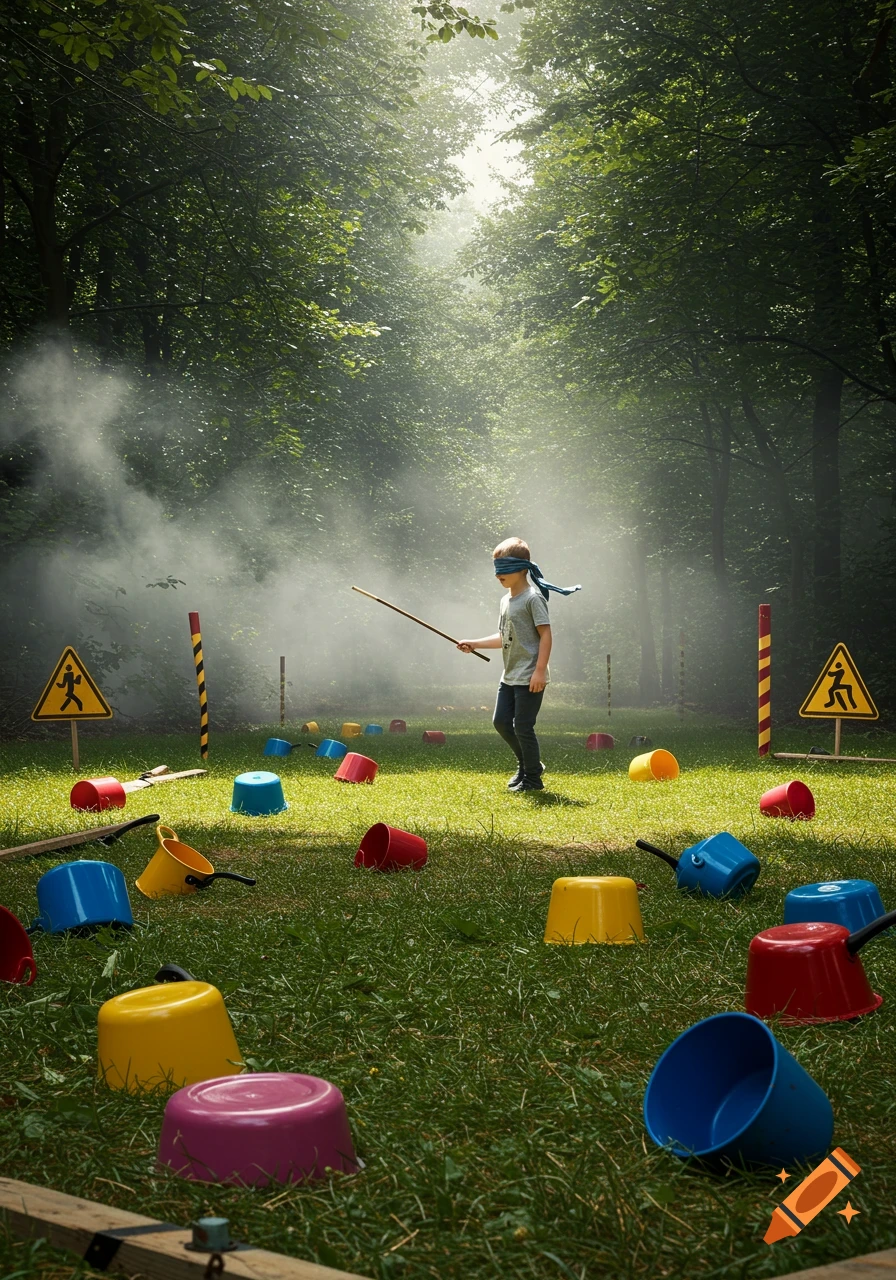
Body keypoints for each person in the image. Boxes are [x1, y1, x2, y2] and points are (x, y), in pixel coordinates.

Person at [457, 537, 581, 792]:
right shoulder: (506, 601)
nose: (498, 575)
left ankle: (533, 779)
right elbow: (505, 636)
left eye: (505, 569)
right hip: (510, 675)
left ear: (523, 568)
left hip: (530, 676)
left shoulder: (533, 599)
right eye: (497, 568)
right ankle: (527, 765)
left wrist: (539, 671)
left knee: (523, 727)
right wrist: (475, 643)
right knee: (501, 722)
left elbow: (546, 635)